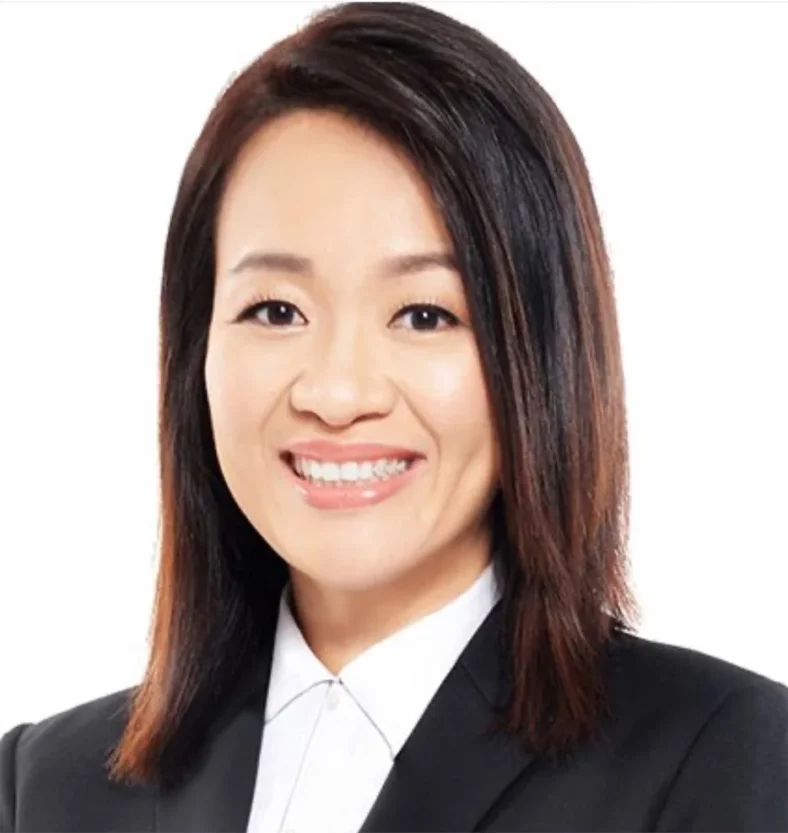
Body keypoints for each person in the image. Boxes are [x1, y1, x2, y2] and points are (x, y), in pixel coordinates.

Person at [1, 2, 786, 831]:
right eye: (276, 310)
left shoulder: (719, 761)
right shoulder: (44, 790)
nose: (337, 393)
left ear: (541, 355)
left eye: (423, 314)